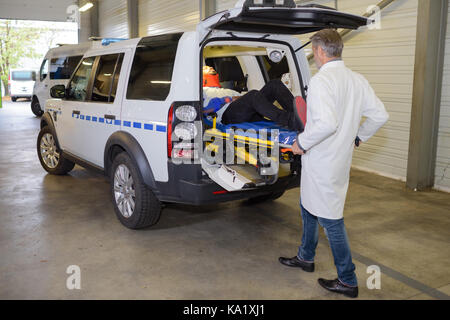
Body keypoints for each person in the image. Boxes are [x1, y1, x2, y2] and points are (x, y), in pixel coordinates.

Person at [278, 29, 389, 298]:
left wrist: (301, 144)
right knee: (307, 207)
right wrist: (359, 137)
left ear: (318, 51)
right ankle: (305, 257)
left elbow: (327, 124)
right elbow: (380, 115)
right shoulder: (357, 80)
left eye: (314, 52)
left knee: (331, 221)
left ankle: (348, 280)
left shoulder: (321, 81)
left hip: (322, 161)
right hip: (336, 160)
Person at [202, 66, 302, 131]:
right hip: (228, 116)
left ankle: (298, 115)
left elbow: (244, 100)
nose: (210, 67)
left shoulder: (225, 89)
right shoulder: (202, 91)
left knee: (274, 84)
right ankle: (291, 121)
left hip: (247, 111)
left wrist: (240, 98)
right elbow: (205, 110)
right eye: (205, 68)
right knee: (253, 95)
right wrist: (228, 99)